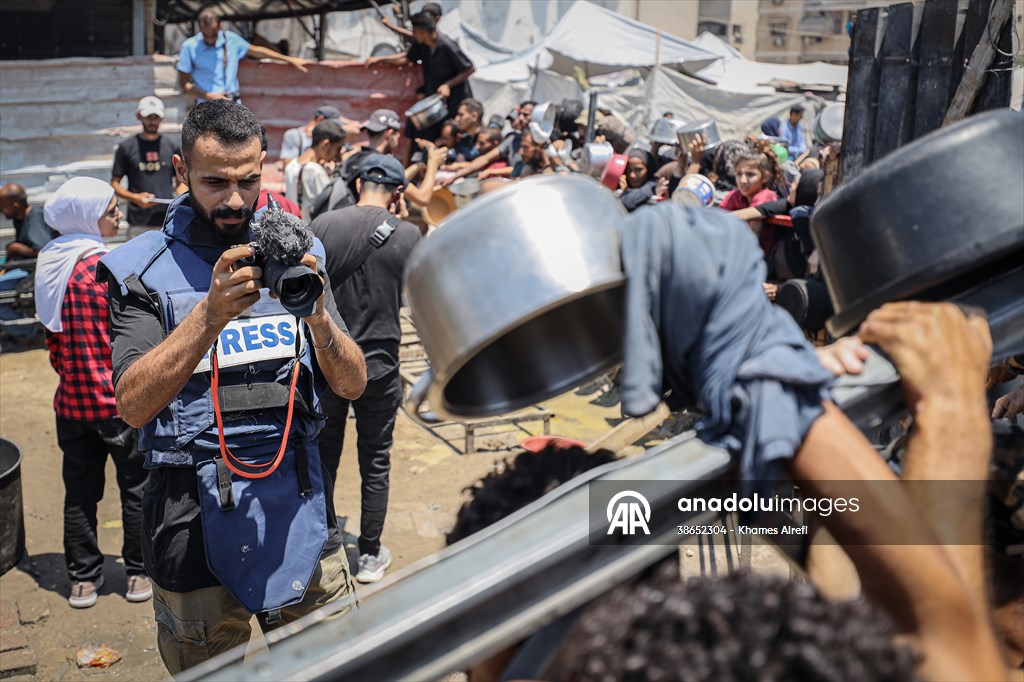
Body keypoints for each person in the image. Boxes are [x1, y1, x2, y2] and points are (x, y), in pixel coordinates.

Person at [96, 100, 366, 674]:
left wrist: (317, 316)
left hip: (299, 508)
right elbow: (134, 405)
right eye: (215, 182)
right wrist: (209, 316)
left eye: (248, 179)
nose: (236, 199)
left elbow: (352, 383)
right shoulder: (140, 270)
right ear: (179, 173)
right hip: (188, 520)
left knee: (338, 666)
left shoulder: (295, 252)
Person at [34, 177, 150, 609]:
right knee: (137, 488)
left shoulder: (52, 266)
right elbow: (131, 338)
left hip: (71, 404)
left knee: (80, 493)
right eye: (109, 209)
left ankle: (82, 579)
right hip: (119, 403)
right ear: (86, 217)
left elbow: (53, 341)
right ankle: (138, 574)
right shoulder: (109, 269)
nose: (117, 214)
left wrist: (73, 372)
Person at [312, 154, 421, 584]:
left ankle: (324, 544)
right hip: (381, 365)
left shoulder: (322, 226)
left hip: (329, 362)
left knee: (323, 458)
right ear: (397, 193)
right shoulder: (409, 234)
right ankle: (371, 554)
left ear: (358, 185)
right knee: (375, 460)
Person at [366, 11, 475, 153]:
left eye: (415, 31)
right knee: (421, 135)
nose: (414, 35)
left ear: (423, 32)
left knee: (452, 138)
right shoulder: (422, 45)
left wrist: (448, 85)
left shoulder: (446, 45)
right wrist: (380, 59)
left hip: (454, 103)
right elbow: (406, 59)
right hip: (434, 104)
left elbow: (469, 68)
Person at [177, 9, 310, 104]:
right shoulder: (190, 46)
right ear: (200, 29)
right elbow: (184, 84)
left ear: (219, 27)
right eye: (206, 36)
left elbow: (257, 51)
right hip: (206, 106)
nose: (210, 40)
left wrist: (289, 60)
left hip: (233, 103)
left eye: (213, 35)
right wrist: (210, 96)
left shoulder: (230, 39)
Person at [111, 96, 182, 228]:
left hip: (168, 220)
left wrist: (185, 199)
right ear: (139, 116)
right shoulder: (126, 148)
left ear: (162, 118)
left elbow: (180, 184)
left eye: (156, 117)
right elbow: (115, 185)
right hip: (138, 221)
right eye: (149, 116)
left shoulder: (172, 147)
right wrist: (135, 198)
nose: (152, 121)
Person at [718, 148, 780, 260]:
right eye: (739, 174)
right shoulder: (736, 195)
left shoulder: (765, 196)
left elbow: (753, 235)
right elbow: (719, 218)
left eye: (750, 175)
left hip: (762, 260)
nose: (743, 180)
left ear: (765, 177)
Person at [283, 119, 347, 220]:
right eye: (338, 148)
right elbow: (330, 206)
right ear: (325, 144)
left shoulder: (291, 166)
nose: (337, 155)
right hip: (312, 229)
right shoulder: (315, 171)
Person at [280, 106, 360, 167]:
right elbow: (288, 165)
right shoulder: (294, 135)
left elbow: (355, 131)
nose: (333, 128)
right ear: (320, 120)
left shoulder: (331, 138)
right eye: (331, 125)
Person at [0, 182, 56, 259]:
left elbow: (43, 251)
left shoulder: (35, 217)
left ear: (15, 206)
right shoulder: (18, 218)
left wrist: (16, 248)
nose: (1, 211)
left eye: (3, 207)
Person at [619, 148, 668, 213]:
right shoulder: (621, 185)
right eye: (629, 169)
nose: (632, 175)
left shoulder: (654, 186)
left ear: (649, 169)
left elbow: (628, 201)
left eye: (638, 170)